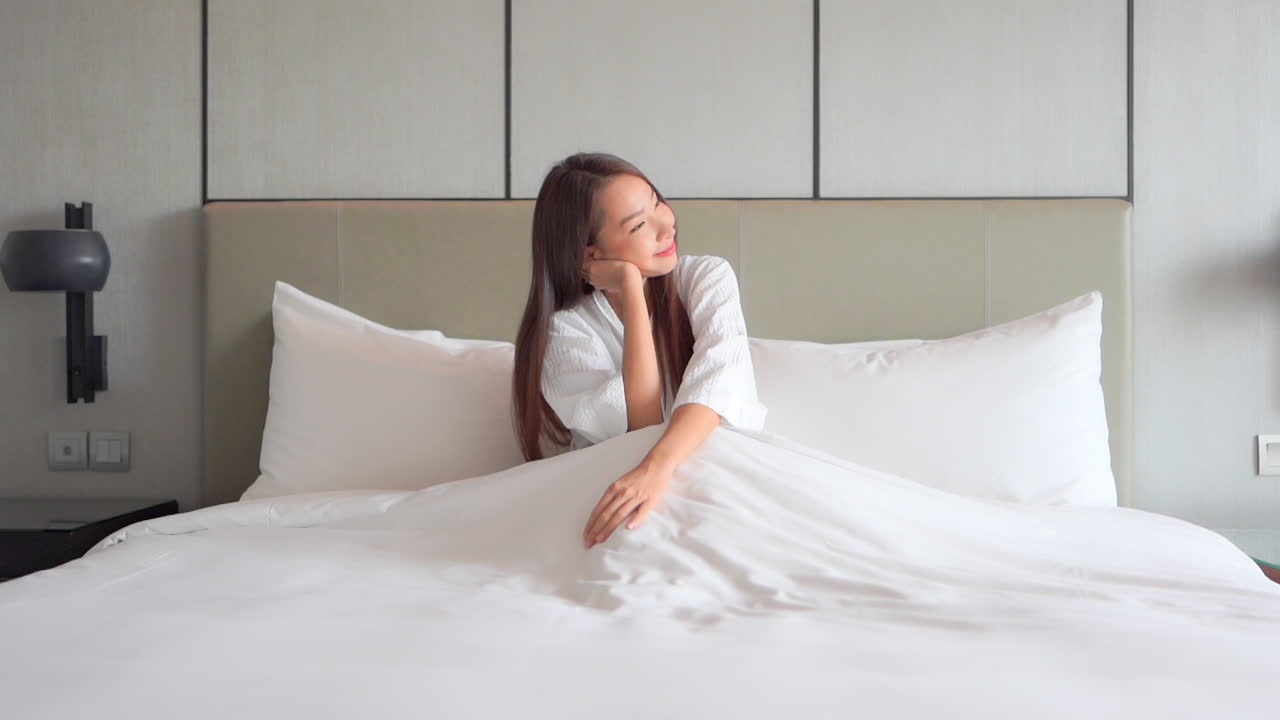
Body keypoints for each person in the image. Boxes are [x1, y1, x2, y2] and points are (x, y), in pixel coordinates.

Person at [512, 152, 767, 550]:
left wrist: (657, 469)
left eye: (657, 203)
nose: (667, 226)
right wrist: (631, 288)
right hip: (620, 497)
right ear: (590, 253)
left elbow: (717, 386)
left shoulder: (705, 278)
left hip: (716, 480)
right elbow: (641, 429)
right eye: (639, 225)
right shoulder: (566, 332)